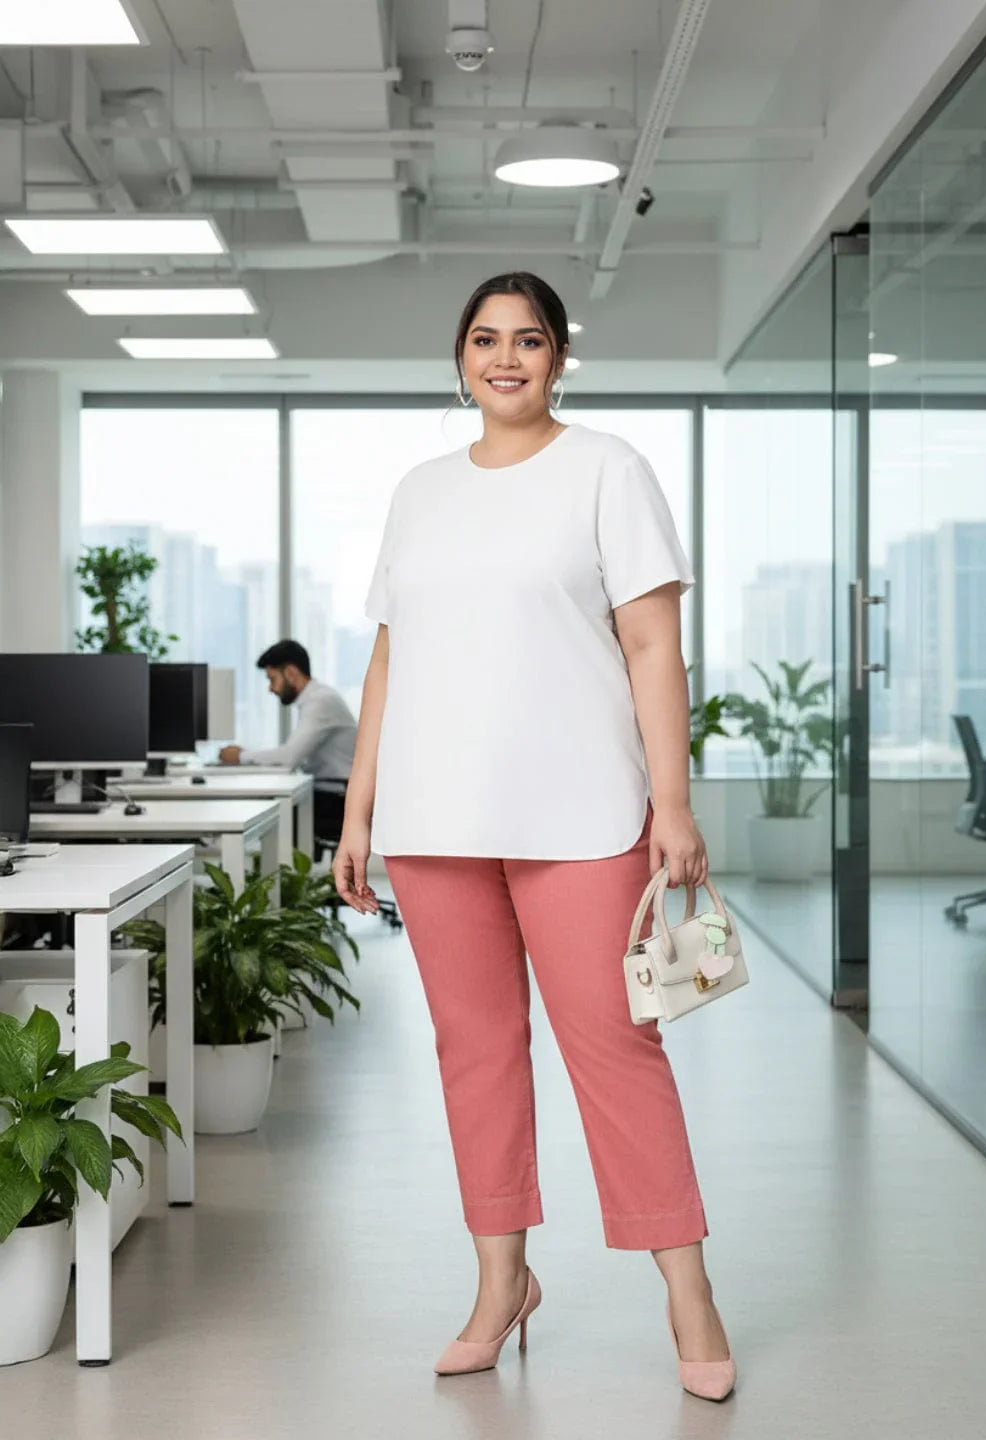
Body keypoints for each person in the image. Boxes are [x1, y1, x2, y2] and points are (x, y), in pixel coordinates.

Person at [332, 272, 735, 1402]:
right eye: (483, 339)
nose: (504, 358)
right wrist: (359, 812)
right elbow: (388, 657)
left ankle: (688, 1291)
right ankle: (501, 1281)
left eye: (528, 340)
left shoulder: (608, 470)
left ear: (560, 358)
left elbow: (655, 648)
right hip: (434, 819)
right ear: (459, 359)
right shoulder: (418, 492)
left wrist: (674, 803)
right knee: (475, 1056)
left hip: (580, 814)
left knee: (617, 1049)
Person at [218, 640, 356, 781]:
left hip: (334, 794)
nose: (270, 688)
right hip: (328, 788)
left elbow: (289, 757)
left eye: (272, 679)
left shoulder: (321, 701)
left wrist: (240, 756)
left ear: (291, 673)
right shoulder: (315, 699)